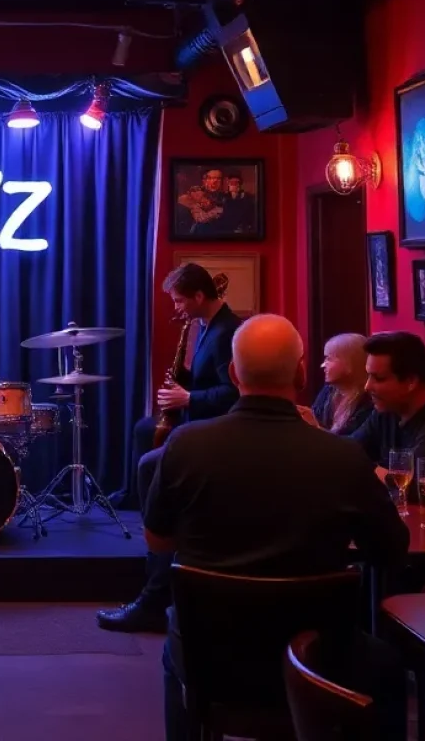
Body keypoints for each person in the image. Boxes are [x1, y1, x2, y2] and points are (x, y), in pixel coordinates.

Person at [143, 314, 410, 741]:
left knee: (175, 649)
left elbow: (157, 540)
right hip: (321, 656)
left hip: (212, 654)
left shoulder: (186, 445)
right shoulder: (343, 458)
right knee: (389, 667)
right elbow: (392, 551)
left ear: (233, 373)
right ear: (302, 372)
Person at [101, 262, 242, 632]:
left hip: (216, 426)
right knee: (144, 429)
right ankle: (141, 504)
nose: (176, 308)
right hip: (201, 418)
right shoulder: (203, 326)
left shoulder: (229, 331)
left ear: (199, 296)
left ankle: (157, 569)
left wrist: (188, 397)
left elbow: (233, 392)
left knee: (151, 462)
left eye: (180, 301)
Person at [350, 331, 425, 508]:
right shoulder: (388, 407)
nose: (367, 386)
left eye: (379, 378)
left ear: (411, 381)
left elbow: (412, 488)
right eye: (368, 376)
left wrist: (363, 466)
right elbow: (350, 448)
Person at [311, 332, 373, 435]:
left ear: (351, 362)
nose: (323, 365)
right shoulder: (328, 390)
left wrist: (314, 427)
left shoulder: (368, 399)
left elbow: (355, 444)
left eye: (329, 359)